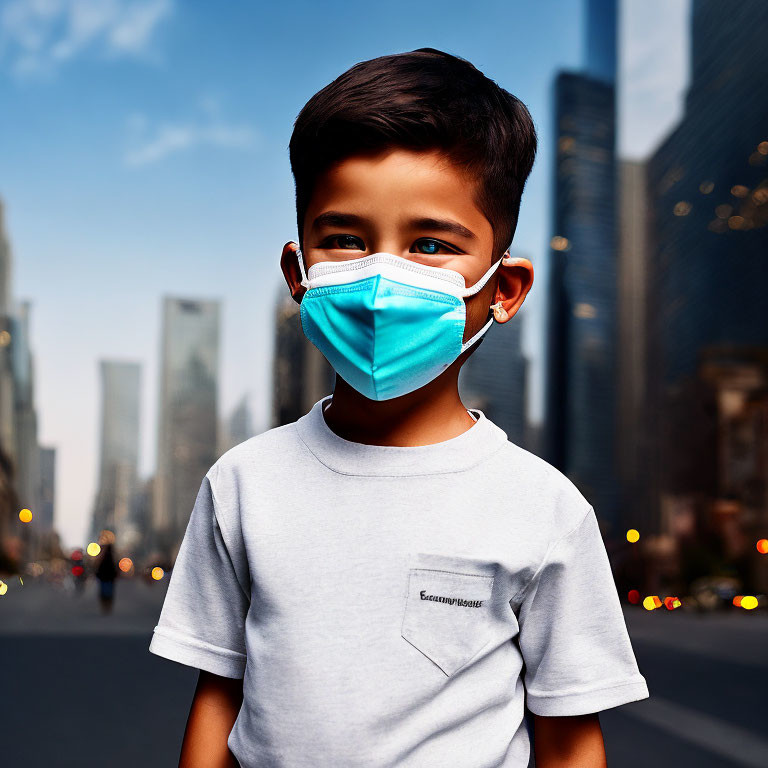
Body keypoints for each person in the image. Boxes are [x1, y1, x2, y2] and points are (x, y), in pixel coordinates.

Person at [148, 47, 649, 767]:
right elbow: (219, 694)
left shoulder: (544, 508)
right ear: (300, 273)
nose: (383, 279)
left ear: (504, 290)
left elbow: (569, 740)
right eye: (346, 239)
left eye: (431, 244)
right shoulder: (242, 483)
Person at [95, 541, 118, 613]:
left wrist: (98, 575)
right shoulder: (113, 558)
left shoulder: (102, 558)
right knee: (109, 593)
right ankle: (108, 606)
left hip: (103, 578)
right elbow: (115, 569)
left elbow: (98, 568)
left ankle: (104, 606)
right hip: (110, 579)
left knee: (103, 592)